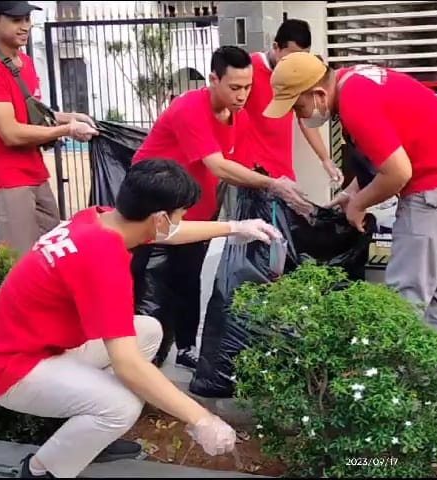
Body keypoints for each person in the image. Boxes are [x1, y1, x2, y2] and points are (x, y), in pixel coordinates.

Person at [0, 158, 282, 479]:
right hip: (11, 370)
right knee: (121, 406)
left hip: (37, 345)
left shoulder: (98, 219)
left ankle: (90, 436)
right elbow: (128, 366)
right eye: (179, 214)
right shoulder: (104, 260)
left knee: (147, 330)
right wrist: (202, 419)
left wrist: (235, 227)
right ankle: (40, 471)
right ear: (160, 217)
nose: (181, 220)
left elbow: (169, 233)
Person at [263, 53, 437, 347]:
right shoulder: (352, 81)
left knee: (405, 294)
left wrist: (359, 204)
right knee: (435, 292)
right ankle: (430, 383)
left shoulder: (356, 103)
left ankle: (396, 383)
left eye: (298, 106)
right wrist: (352, 193)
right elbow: (386, 154)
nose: (299, 115)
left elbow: (397, 172)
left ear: (318, 93)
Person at [130, 45, 311, 369]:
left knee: (188, 280)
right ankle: (139, 355)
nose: (242, 96)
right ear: (213, 79)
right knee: (147, 282)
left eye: (248, 87)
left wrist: (278, 188)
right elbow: (218, 166)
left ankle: (185, 348)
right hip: (151, 209)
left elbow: (242, 164)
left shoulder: (236, 116)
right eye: (235, 87)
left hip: (194, 210)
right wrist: (272, 183)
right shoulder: (190, 108)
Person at [0, 1, 99, 258]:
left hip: (33, 171)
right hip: (6, 179)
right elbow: (12, 133)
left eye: (27, 19)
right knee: (22, 260)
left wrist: (69, 117)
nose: (25, 26)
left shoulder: (23, 61)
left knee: (54, 249)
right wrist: (67, 130)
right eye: (16, 20)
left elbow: (31, 114)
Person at [245, 18, 342, 184]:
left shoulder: (301, 73)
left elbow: (305, 118)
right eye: (292, 55)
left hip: (284, 172)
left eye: (303, 56)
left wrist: (325, 159)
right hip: (255, 173)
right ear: (276, 47)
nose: (297, 62)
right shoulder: (248, 69)